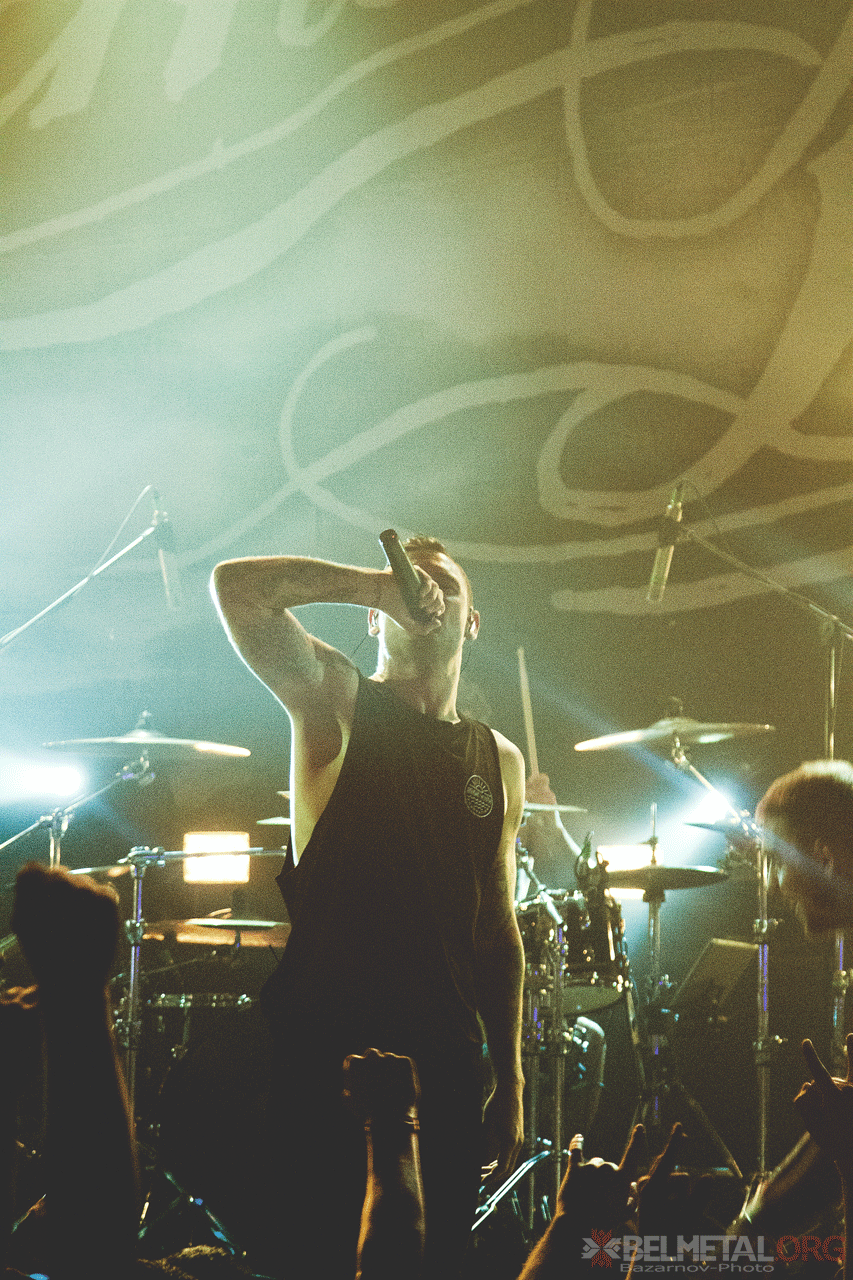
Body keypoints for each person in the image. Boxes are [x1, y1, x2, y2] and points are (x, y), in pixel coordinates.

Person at [211, 537, 526, 1279]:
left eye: (441, 582)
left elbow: (496, 930)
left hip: (446, 1067)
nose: (421, 588)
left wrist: (509, 1081)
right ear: (376, 618)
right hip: (331, 1056)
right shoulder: (337, 700)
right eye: (405, 580)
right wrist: (375, 586)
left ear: (471, 621)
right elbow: (236, 587)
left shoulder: (499, 759)